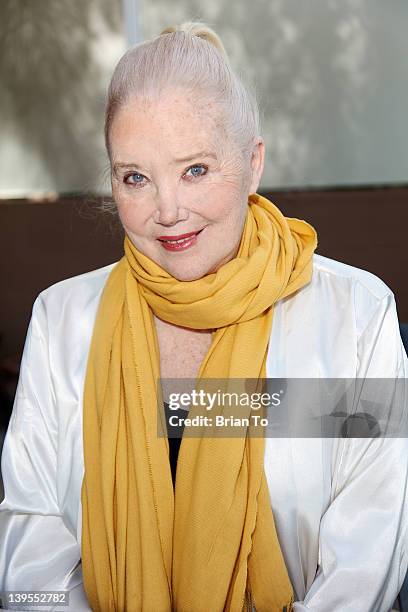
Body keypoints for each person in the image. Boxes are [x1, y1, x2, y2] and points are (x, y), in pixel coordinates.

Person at [0, 21, 407, 612]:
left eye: (195, 169)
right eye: (136, 177)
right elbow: (28, 544)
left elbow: (369, 553)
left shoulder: (356, 317)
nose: (168, 211)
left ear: (253, 164)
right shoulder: (62, 321)